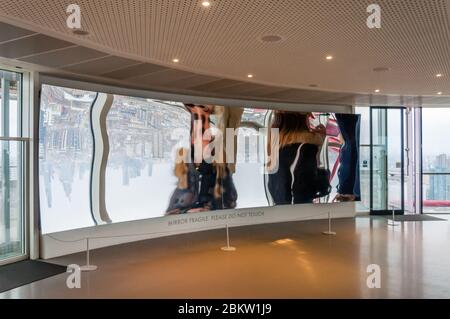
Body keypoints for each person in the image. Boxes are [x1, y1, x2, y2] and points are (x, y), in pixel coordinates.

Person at [267, 111, 329, 205]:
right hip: (300, 208)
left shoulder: (276, 145)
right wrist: (320, 144)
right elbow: (320, 187)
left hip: (280, 207)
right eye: (308, 118)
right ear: (303, 121)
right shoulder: (308, 147)